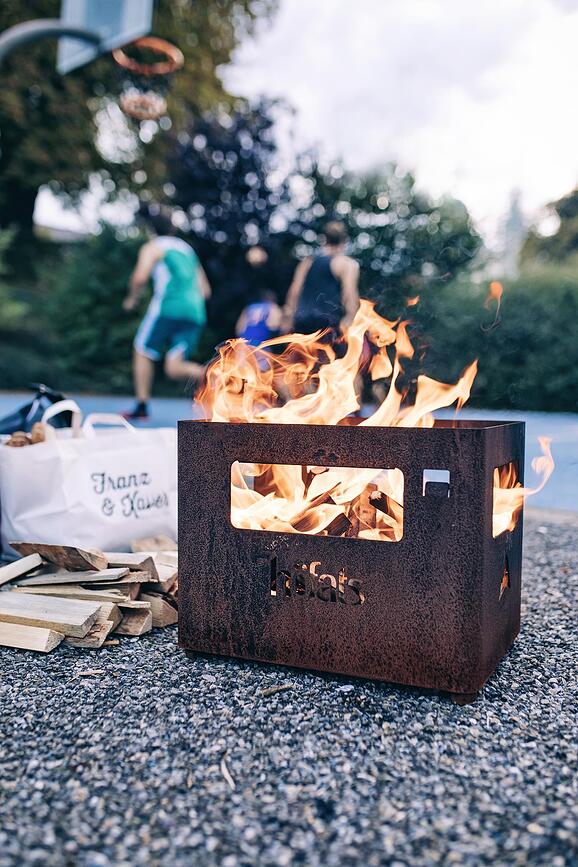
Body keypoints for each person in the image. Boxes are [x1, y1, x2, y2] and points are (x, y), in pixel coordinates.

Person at [122, 211, 211, 421]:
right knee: (174, 368)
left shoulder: (153, 247)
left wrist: (132, 299)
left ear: (150, 229)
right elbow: (206, 290)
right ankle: (218, 376)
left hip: (168, 307)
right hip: (196, 311)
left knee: (142, 350)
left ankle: (142, 406)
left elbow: (140, 277)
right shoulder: (187, 250)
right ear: (173, 229)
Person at [281, 221, 360, 335]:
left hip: (302, 322)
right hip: (328, 326)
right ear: (344, 240)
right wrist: (349, 319)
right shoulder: (346, 264)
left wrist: (288, 317)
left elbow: (295, 290)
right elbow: (349, 294)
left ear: (325, 238)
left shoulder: (307, 262)